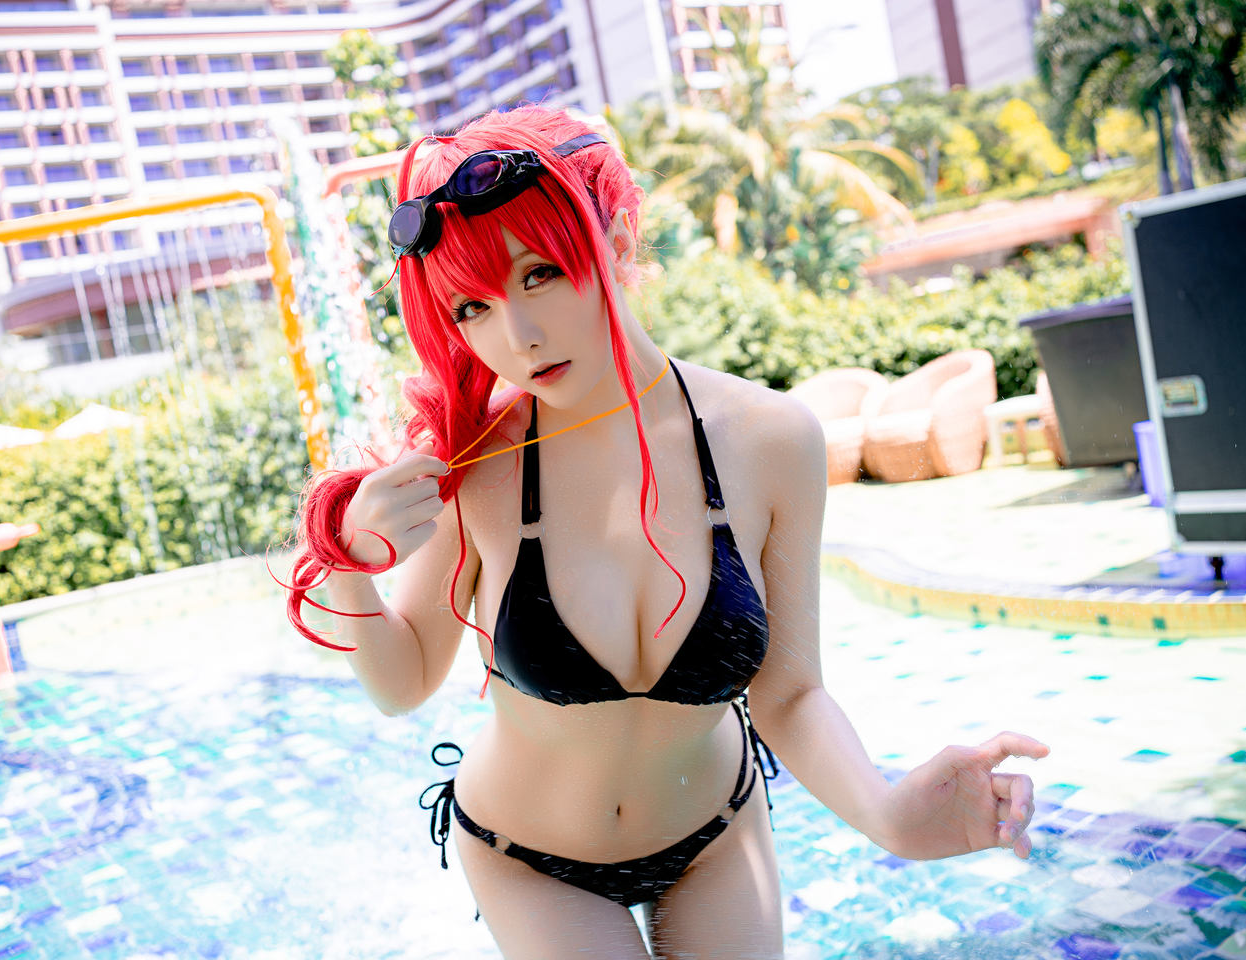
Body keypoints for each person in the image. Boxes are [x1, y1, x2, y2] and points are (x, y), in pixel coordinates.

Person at [284, 105, 1049, 959]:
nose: (518, 337)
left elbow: (790, 695)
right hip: (527, 856)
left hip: (716, 833)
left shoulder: (769, 439)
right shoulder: (478, 467)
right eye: (472, 307)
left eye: (541, 274)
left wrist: (887, 814)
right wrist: (347, 560)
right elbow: (403, 682)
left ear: (615, 238)